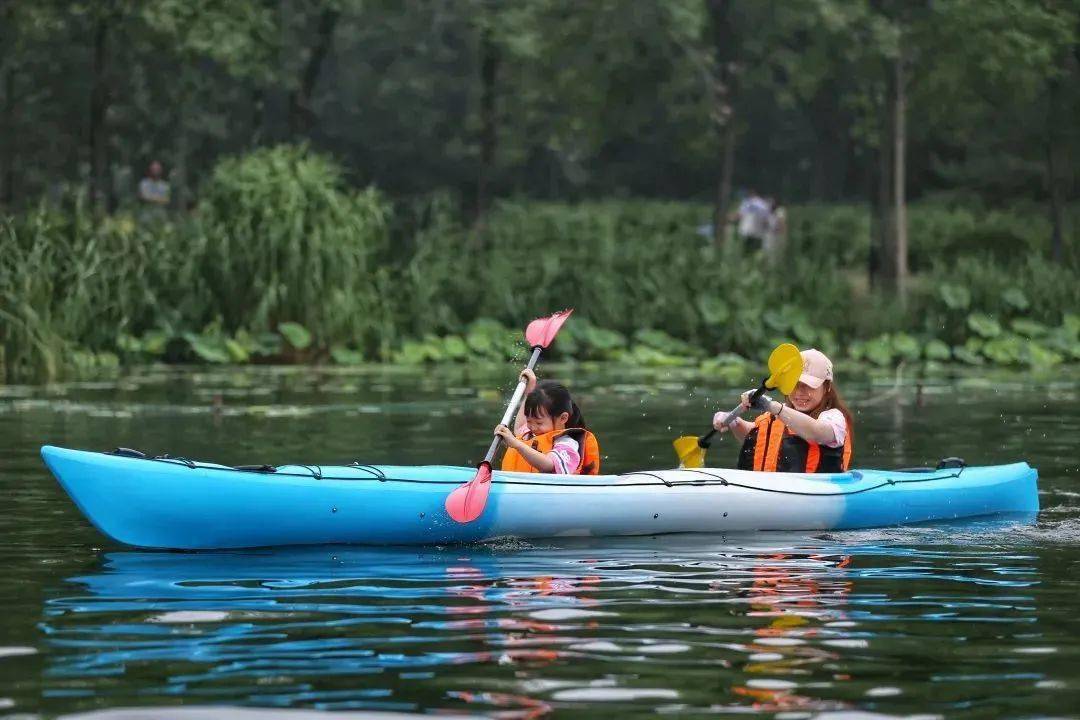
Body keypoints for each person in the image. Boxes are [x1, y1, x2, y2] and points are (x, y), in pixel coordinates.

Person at [715, 349, 853, 473]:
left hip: (816, 494)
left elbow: (816, 433)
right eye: (794, 385)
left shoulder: (835, 418)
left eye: (809, 386)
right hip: (770, 493)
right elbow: (754, 437)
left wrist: (772, 406)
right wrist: (733, 420)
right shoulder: (780, 413)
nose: (799, 393)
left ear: (827, 387)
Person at [496, 370, 601, 475]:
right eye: (529, 421)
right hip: (518, 485)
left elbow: (549, 465)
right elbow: (519, 428)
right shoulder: (531, 433)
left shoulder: (567, 443)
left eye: (539, 423)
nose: (532, 427)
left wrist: (516, 444)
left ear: (563, 418)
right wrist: (529, 391)